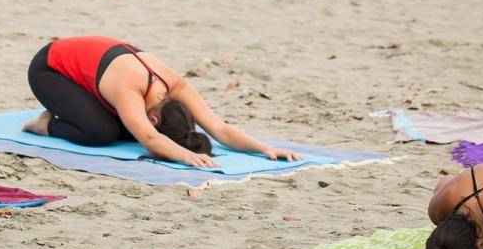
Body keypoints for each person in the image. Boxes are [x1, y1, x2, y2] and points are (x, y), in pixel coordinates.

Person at [22, 35, 300, 169]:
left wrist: (265, 149)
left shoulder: (174, 85)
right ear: (155, 119)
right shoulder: (130, 88)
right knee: (101, 133)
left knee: (126, 129)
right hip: (50, 68)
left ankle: (71, 111)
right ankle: (45, 124)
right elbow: (151, 139)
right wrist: (187, 156)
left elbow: (221, 129)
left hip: (92, 75)